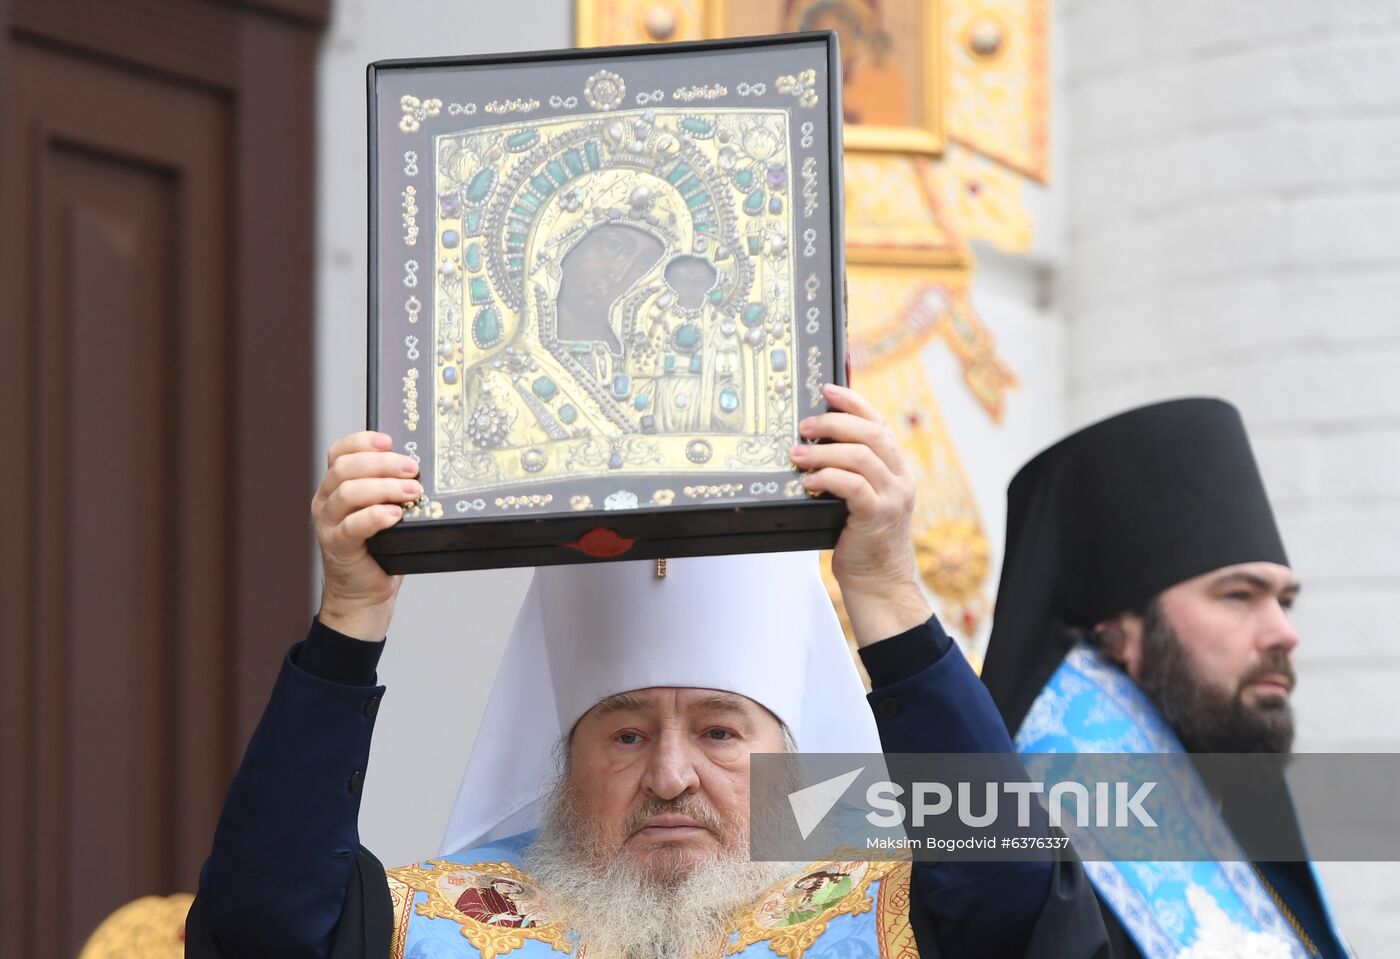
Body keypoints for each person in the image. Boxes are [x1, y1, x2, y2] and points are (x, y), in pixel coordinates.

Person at [185, 383, 1109, 958]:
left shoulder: (889, 915)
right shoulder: (439, 926)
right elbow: (264, 926)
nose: (671, 776)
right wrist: (351, 616)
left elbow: (1014, 898)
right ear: (562, 762)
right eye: (625, 733)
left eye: (718, 730)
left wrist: (885, 587)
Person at [980, 398, 1353, 958]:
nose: (1283, 633)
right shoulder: (1030, 845)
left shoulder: (1234, 812)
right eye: (1238, 596)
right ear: (1118, 631)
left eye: (1285, 602)